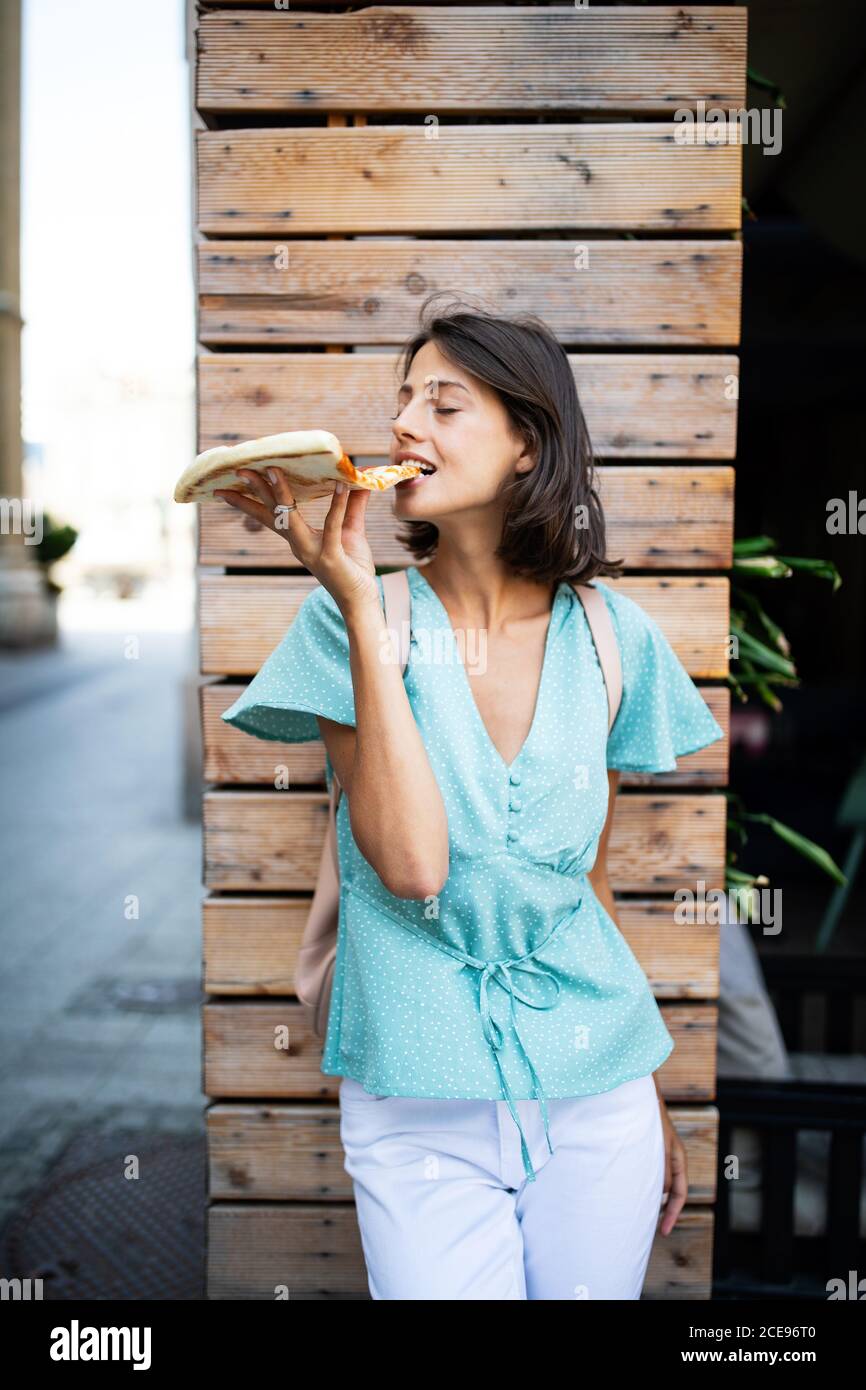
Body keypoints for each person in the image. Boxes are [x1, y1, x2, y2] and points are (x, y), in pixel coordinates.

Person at [216, 294, 724, 1300]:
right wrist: (360, 604)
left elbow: (584, 880)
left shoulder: (611, 638)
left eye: (442, 405)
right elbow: (410, 868)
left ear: (527, 444)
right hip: (415, 1092)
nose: (402, 423)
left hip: (597, 1088)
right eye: (402, 400)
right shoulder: (347, 625)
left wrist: (649, 1097)